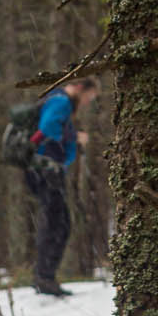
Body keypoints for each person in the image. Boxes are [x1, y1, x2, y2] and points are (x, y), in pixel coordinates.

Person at [26, 76, 98, 298]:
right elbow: (48, 128)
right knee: (58, 223)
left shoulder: (60, 102)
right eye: (89, 97)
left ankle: (44, 276)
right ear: (79, 87)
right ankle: (44, 278)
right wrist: (74, 136)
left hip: (44, 169)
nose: (87, 102)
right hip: (44, 169)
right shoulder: (61, 101)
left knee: (57, 221)